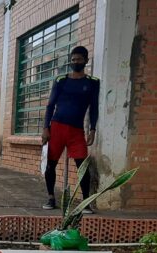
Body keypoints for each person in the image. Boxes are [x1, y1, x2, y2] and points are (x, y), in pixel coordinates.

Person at [41, 45, 100, 213]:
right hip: (57, 128)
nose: (76, 62)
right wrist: (46, 128)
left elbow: (94, 108)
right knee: (50, 165)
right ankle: (51, 198)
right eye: (73, 60)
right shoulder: (61, 80)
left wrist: (93, 129)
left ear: (86, 61)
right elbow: (50, 105)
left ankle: (86, 203)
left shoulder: (93, 83)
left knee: (83, 166)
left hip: (76, 131)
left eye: (79, 59)